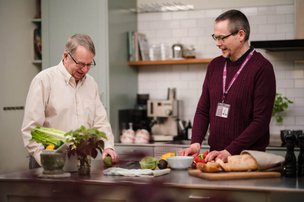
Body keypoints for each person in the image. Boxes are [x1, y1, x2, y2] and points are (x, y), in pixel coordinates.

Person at [179, 10, 276, 162]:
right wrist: (196, 143)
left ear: (241, 35)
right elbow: (203, 110)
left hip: (246, 159)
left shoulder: (262, 68)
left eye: (222, 38)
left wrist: (229, 151)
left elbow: (261, 121)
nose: (218, 43)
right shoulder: (214, 66)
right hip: (216, 157)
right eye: (215, 37)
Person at [21, 33, 119, 168]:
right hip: (47, 162)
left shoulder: (91, 84)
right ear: (66, 56)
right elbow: (31, 131)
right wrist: (47, 161)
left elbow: (100, 122)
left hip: (81, 163)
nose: (85, 70)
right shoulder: (44, 80)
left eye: (89, 64)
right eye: (81, 64)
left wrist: (108, 146)